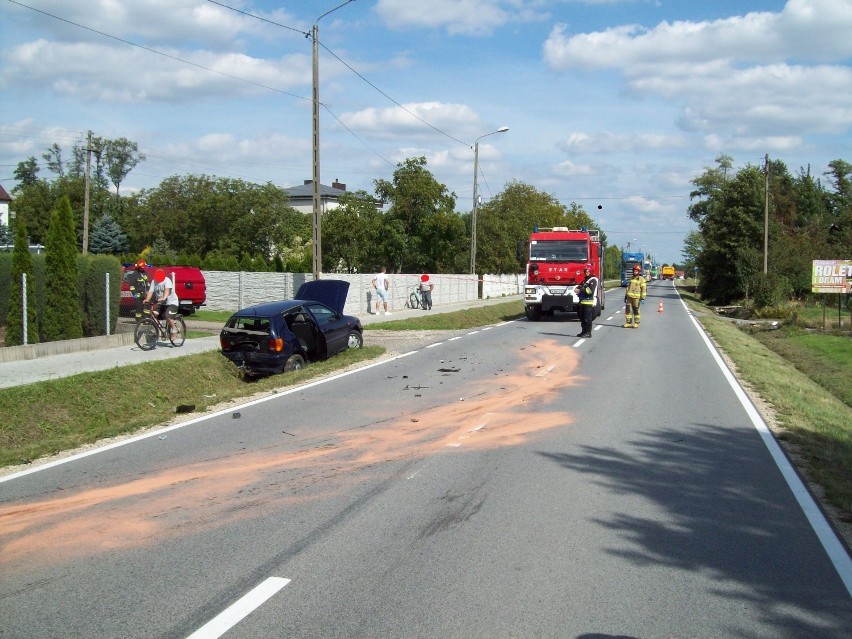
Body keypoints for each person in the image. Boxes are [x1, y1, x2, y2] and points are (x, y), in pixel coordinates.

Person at [144, 269, 180, 338]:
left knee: (168, 316)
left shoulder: (167, 281)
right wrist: (146, 300)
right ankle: (159, 330)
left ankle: (174, 330)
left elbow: (167, 291)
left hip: (172, 302)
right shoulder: (154, 281)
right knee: (153, 314)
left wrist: (164, 297)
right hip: (161, 303)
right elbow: (150, 292)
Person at [574, 263, 598, 338]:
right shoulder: (585, 280)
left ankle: (588, 332)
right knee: (582, 318)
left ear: (591, 271)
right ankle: (583, 331)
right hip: (582, 302)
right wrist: (577, 288)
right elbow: (579, 286)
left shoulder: (593, 280)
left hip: (588, 302)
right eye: (585, 271)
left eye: (587, 271)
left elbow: (590, 291)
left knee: (588, 319)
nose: (586, 272)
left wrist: (580, 290)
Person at [624, 263, 647, 328]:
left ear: (639, 272)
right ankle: (628, 323)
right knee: (628, 310)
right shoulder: (631, 278)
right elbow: (628, 287)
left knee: (636, 310)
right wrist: (626, 295)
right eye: (634, 271)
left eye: (636, 271)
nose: (635, 272)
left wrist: (643, 298)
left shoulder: (641, 279)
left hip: (636, 298)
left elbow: (644, 289)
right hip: (629, 297)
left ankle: (636, 323)